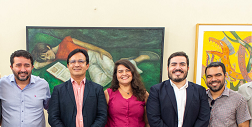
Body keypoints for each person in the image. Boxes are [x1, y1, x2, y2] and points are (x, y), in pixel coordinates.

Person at [31, 36, 159, 86]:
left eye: (46, 54)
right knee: (99, 84)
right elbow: (36, 65)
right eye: (45, 58)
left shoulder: (66, 41)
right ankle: (126, 62)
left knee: (115, 73)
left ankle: (139, 59)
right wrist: (41, 59)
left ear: (48, 47)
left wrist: (100, 51)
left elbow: (85, 44)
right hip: (89, 65)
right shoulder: (56, 56)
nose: (48, 58)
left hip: (94, 55)